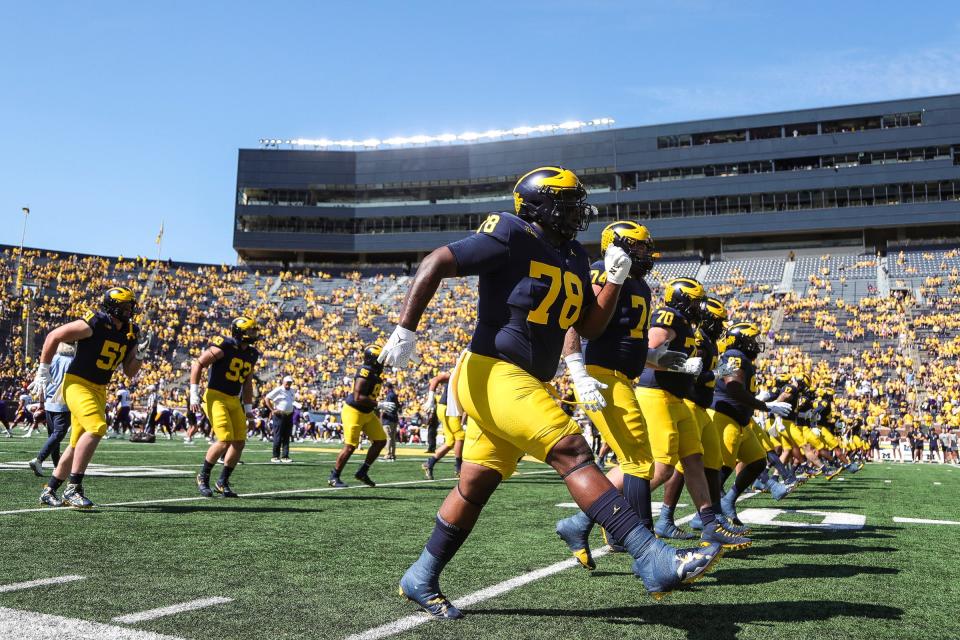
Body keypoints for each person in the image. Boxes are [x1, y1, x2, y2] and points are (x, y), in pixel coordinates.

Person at [384, 167, 722, 619]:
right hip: (493, 370)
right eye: (566, 203)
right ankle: (649, 555)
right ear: (538, 204)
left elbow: (587, 325)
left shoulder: (575, 256)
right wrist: (405, 330)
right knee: (572, 448)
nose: (577, 212)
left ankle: (420, 575)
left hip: (528, 378)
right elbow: (438, 261)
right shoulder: (510, 231)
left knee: (474, 486)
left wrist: (615, 281)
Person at [634, 278, 752, 549]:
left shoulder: (688, 325)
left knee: (694, 462)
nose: (701, 307)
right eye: (697, 301)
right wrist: (681, 366)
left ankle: (710, 525)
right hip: (657, 393)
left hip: (676, 397)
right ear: (682, 299)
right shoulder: (669, 316)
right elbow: (650, 352)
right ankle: (616, 515)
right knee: (662, 469)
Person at [31, 286, 148, 508]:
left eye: (130, 305)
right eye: (125, 306)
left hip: (99, 388)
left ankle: (49, 490)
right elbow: (54, 335)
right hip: (78, 383)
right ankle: (74, 488)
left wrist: (140, 355)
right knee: (97, 428)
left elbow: (130, 371)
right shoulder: (95, 321)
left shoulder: (131, 330)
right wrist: (43, 370)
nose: (130, 309)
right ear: (112, 306)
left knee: (77, 443)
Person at [191, 316, 260, 498]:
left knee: (239, 442)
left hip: (233, 399)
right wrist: (193, 395)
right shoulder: (225, 345)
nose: (254, 333)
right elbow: (199, 363)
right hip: (215, 396)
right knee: (224, 439)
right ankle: (203, 476)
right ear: (240, 332)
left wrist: (249, 412)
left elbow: (247, 384)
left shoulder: (252, 354)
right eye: (250, 330)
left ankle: (222, 482)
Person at [329, 344, 388, 487]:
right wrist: (378, 404)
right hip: (354, 411)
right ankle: (334, 476)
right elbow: (358, 397)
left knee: (380, 440)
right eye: (379, 359)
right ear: (372, 360)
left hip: (367, 413)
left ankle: (363, 471)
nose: (382, 362)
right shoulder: (365, 372)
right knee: (350, 446)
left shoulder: (374, 372)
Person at [28, 342, 76, 478]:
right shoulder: (72, 361)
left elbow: (42, 382)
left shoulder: (52, 359)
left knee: (54, 436)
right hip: (62, 401)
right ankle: (39, 459)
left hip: (49, 402)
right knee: (59, 434)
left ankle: (57, 466)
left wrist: (42, 403)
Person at [421, 371, 464, 479]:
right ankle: (459, 468)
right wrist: (430, 398)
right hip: (447, 407)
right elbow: (436, 379)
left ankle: (429, 463)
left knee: (450, 442)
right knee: (460, 436)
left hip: (450, 408)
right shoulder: (455, 373)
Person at [266, 375, 296, 463]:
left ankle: (285, 456)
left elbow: (291, 401)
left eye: (290, 383)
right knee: (278, 436)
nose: (289, 384)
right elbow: (267, 398)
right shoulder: (279, 389)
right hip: (280, 415)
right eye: (287, 383)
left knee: (287, 436)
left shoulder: (292, 390)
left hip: (289, 415)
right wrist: (273, 410)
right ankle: (275, 456)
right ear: (283, 382)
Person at [380, 381, 401, 461]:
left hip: (388, 419)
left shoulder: (389, 395)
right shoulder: (394, 395)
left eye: (384, 388)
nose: (383, 390)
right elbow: (398, 406)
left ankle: (388, 454)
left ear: (386, 388)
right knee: (392, 438)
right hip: (394, 418)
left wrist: (381, 417)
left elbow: (386, 408)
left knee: (388, 437)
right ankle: (393, 454)